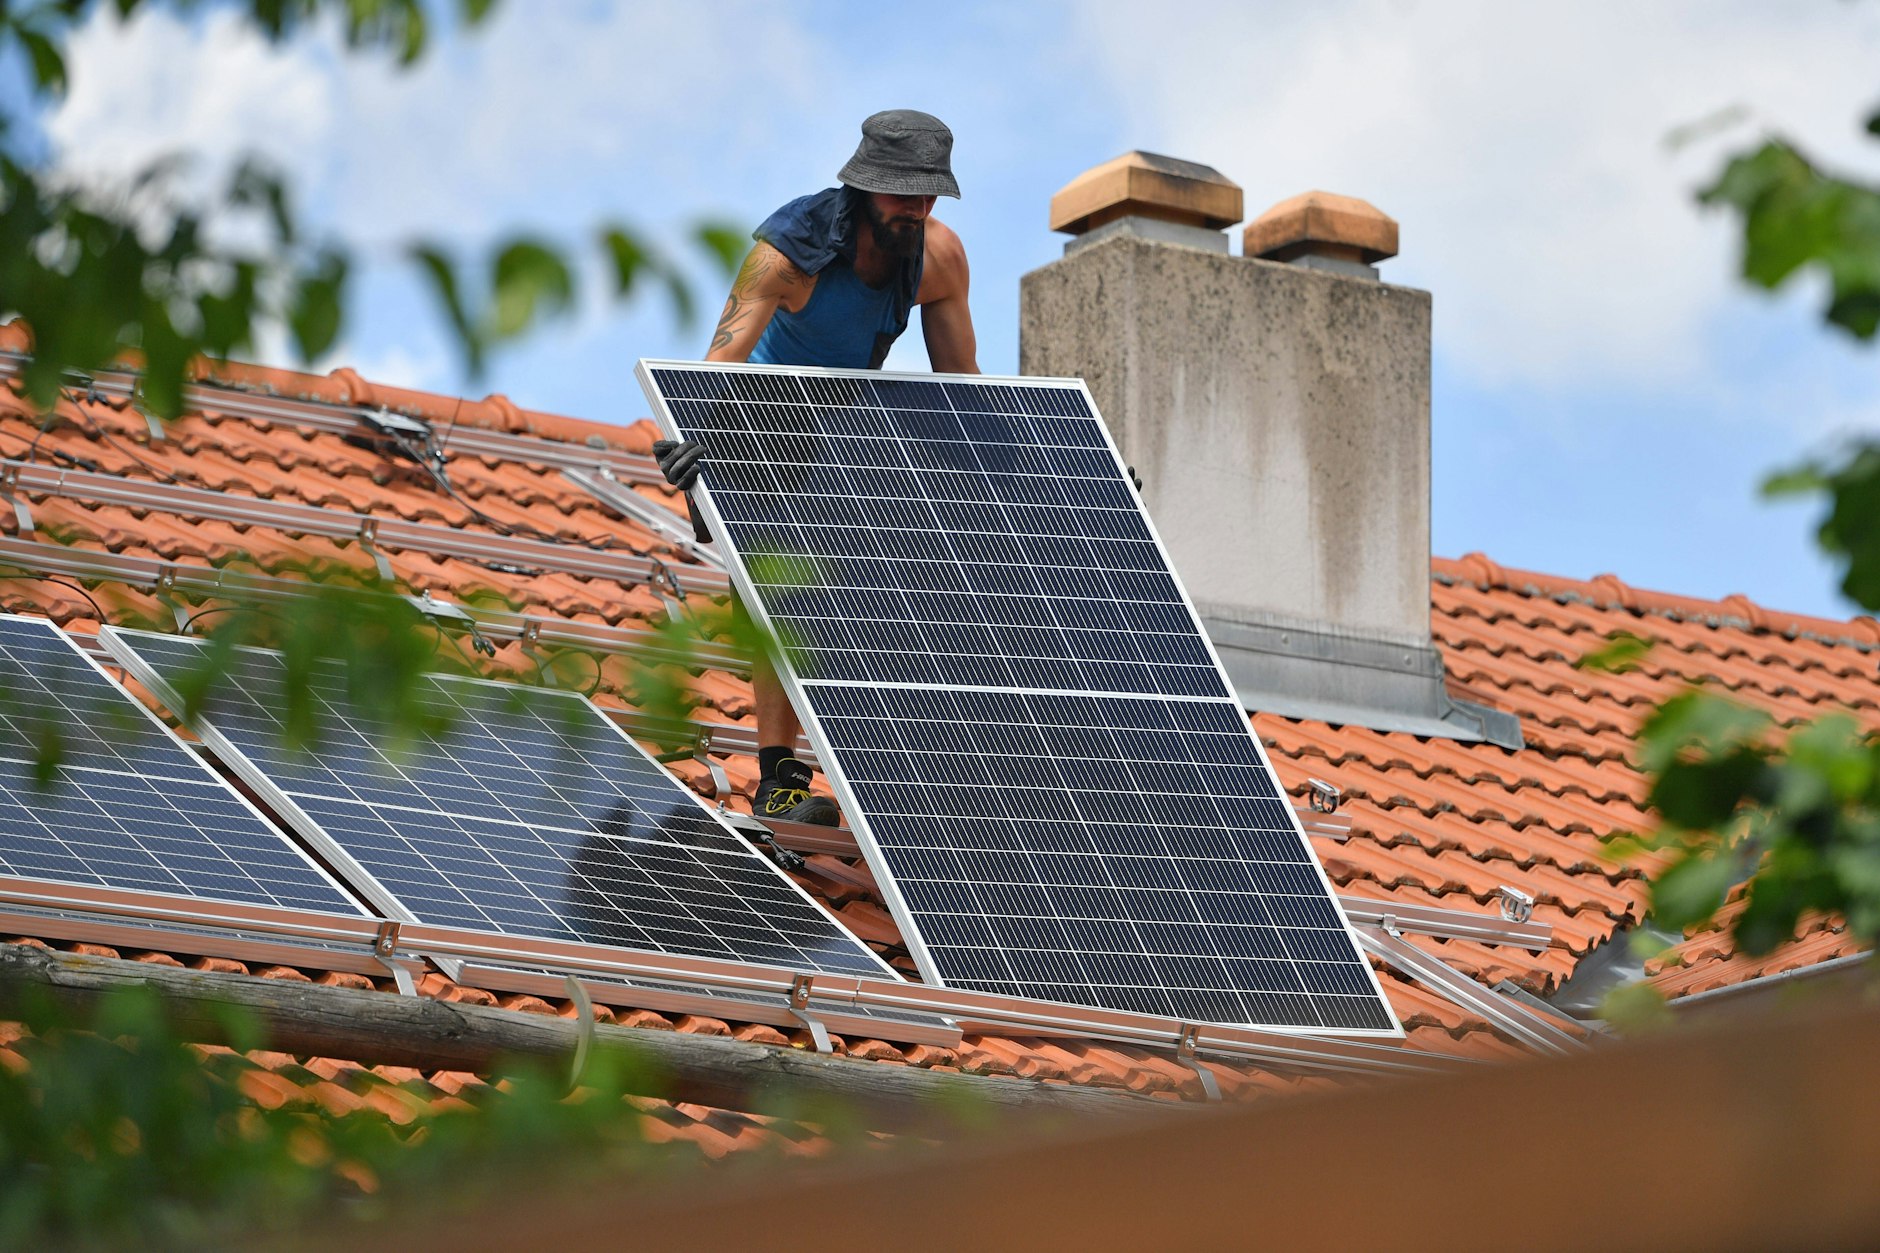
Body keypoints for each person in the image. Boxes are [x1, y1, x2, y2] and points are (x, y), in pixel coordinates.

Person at [652, 109, 980, 827]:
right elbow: (715, 367)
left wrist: (1057, 466)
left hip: (843, 426)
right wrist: (686, 442)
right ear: (864, 188)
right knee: (782, 589)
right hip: (755, 423)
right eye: (901, 195)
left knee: (897, 573)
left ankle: (902, 766)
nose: (915, 210)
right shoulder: (787, 253)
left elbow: (967, 394)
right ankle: (780, 778)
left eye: (926, 197)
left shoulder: (939, 260)